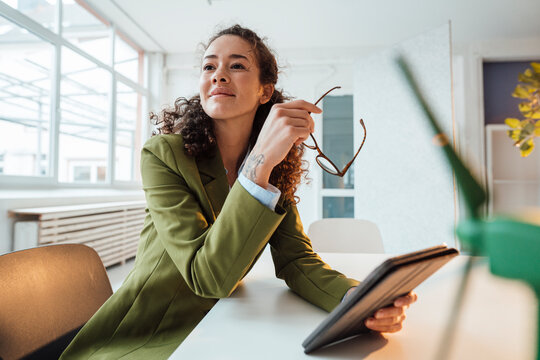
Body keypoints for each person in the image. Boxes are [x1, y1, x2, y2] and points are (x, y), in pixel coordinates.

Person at [60, 24, 417, 359]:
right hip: (149, 335)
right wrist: (259, 164)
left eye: (237, 65)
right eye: (209, 66)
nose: (218, 74)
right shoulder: (164, 155)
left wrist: (355, 298)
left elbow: (296, 260)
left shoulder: (273, 168)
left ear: (265, 91)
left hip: (224, 323)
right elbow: (208, 277)